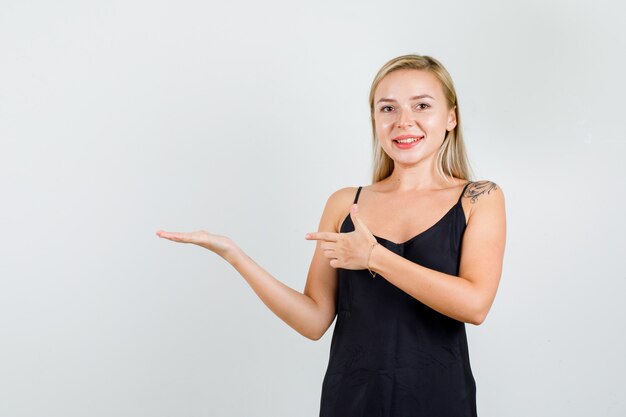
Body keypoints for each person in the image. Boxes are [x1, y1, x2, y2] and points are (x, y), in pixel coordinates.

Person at [156, 54, 506, 417]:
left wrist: (374, 257)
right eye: (388, 108)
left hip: (442, 402)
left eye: (422, 105)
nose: (404, 121)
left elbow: (475, 305)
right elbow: (314, 320)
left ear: (451, 117)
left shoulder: (480, 198)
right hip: (351, 403)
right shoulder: (344, 203)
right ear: (374, 119)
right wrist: (234, 255)